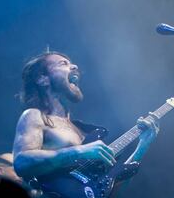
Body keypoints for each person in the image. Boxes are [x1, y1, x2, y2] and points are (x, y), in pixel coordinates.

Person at [12, 51, 159, 196]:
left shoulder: (85, 132)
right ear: (42, 79)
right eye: (63, 63)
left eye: (72, 63)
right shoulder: (35, 116)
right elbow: (21, 163)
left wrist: (142, 146)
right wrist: (79, 151)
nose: (74, 66)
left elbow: (111, 193)